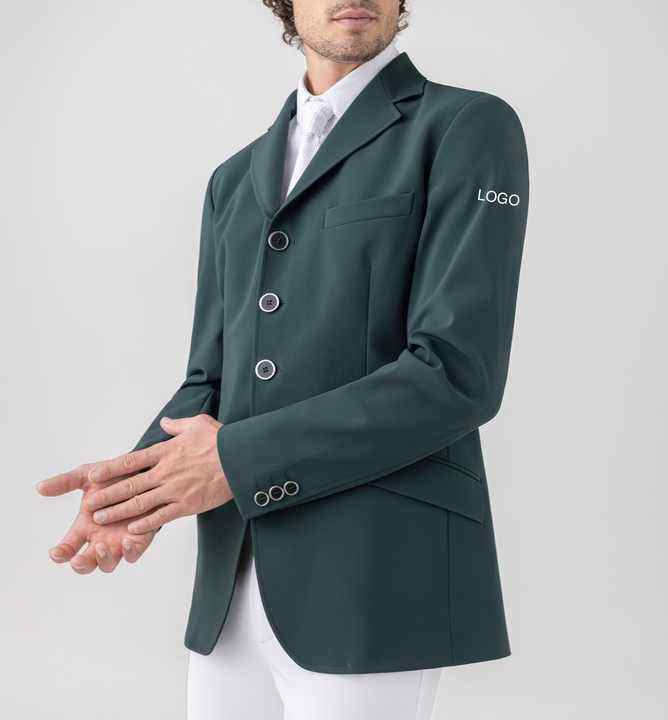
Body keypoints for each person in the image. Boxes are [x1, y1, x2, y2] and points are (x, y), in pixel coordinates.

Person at [37, 1, 529, 718]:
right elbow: (210, 379)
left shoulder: (466, 126)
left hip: (376, 575)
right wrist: (130, 492)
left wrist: (235, 461)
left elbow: (456, 374)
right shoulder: (234, 177)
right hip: (232, 582)